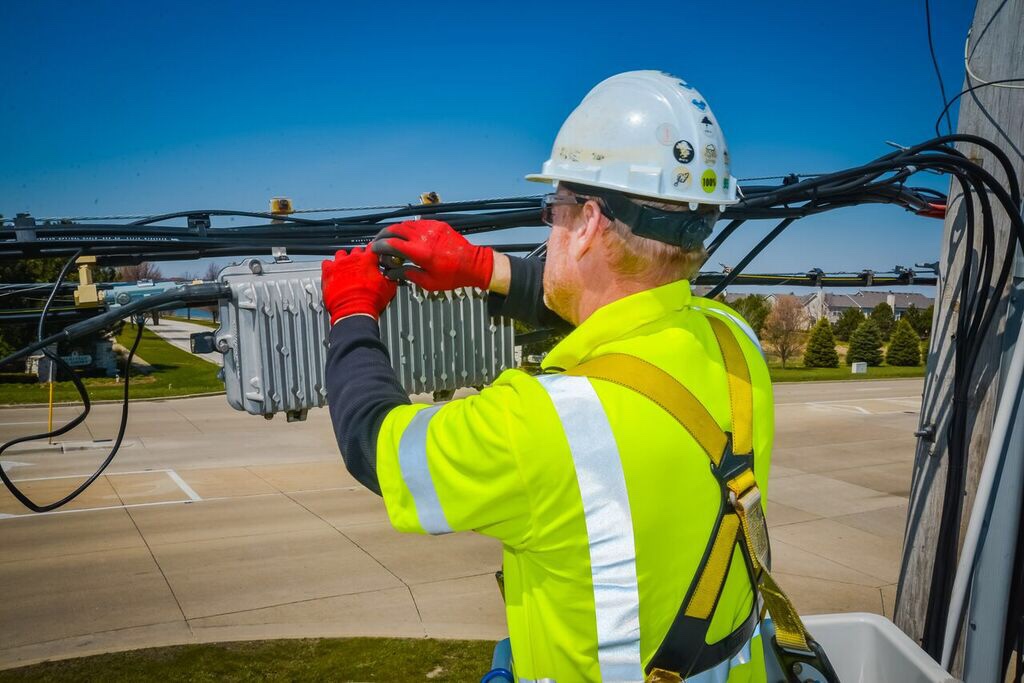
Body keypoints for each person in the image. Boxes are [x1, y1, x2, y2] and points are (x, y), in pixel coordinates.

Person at [321, 71, 772, 682]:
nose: (548, 229)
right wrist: (480, 267)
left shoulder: (545, 425)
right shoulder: (734, 342)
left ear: (587, 223)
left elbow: (377, 446)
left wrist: (350, 311)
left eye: (550, 210)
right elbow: (613, 306)